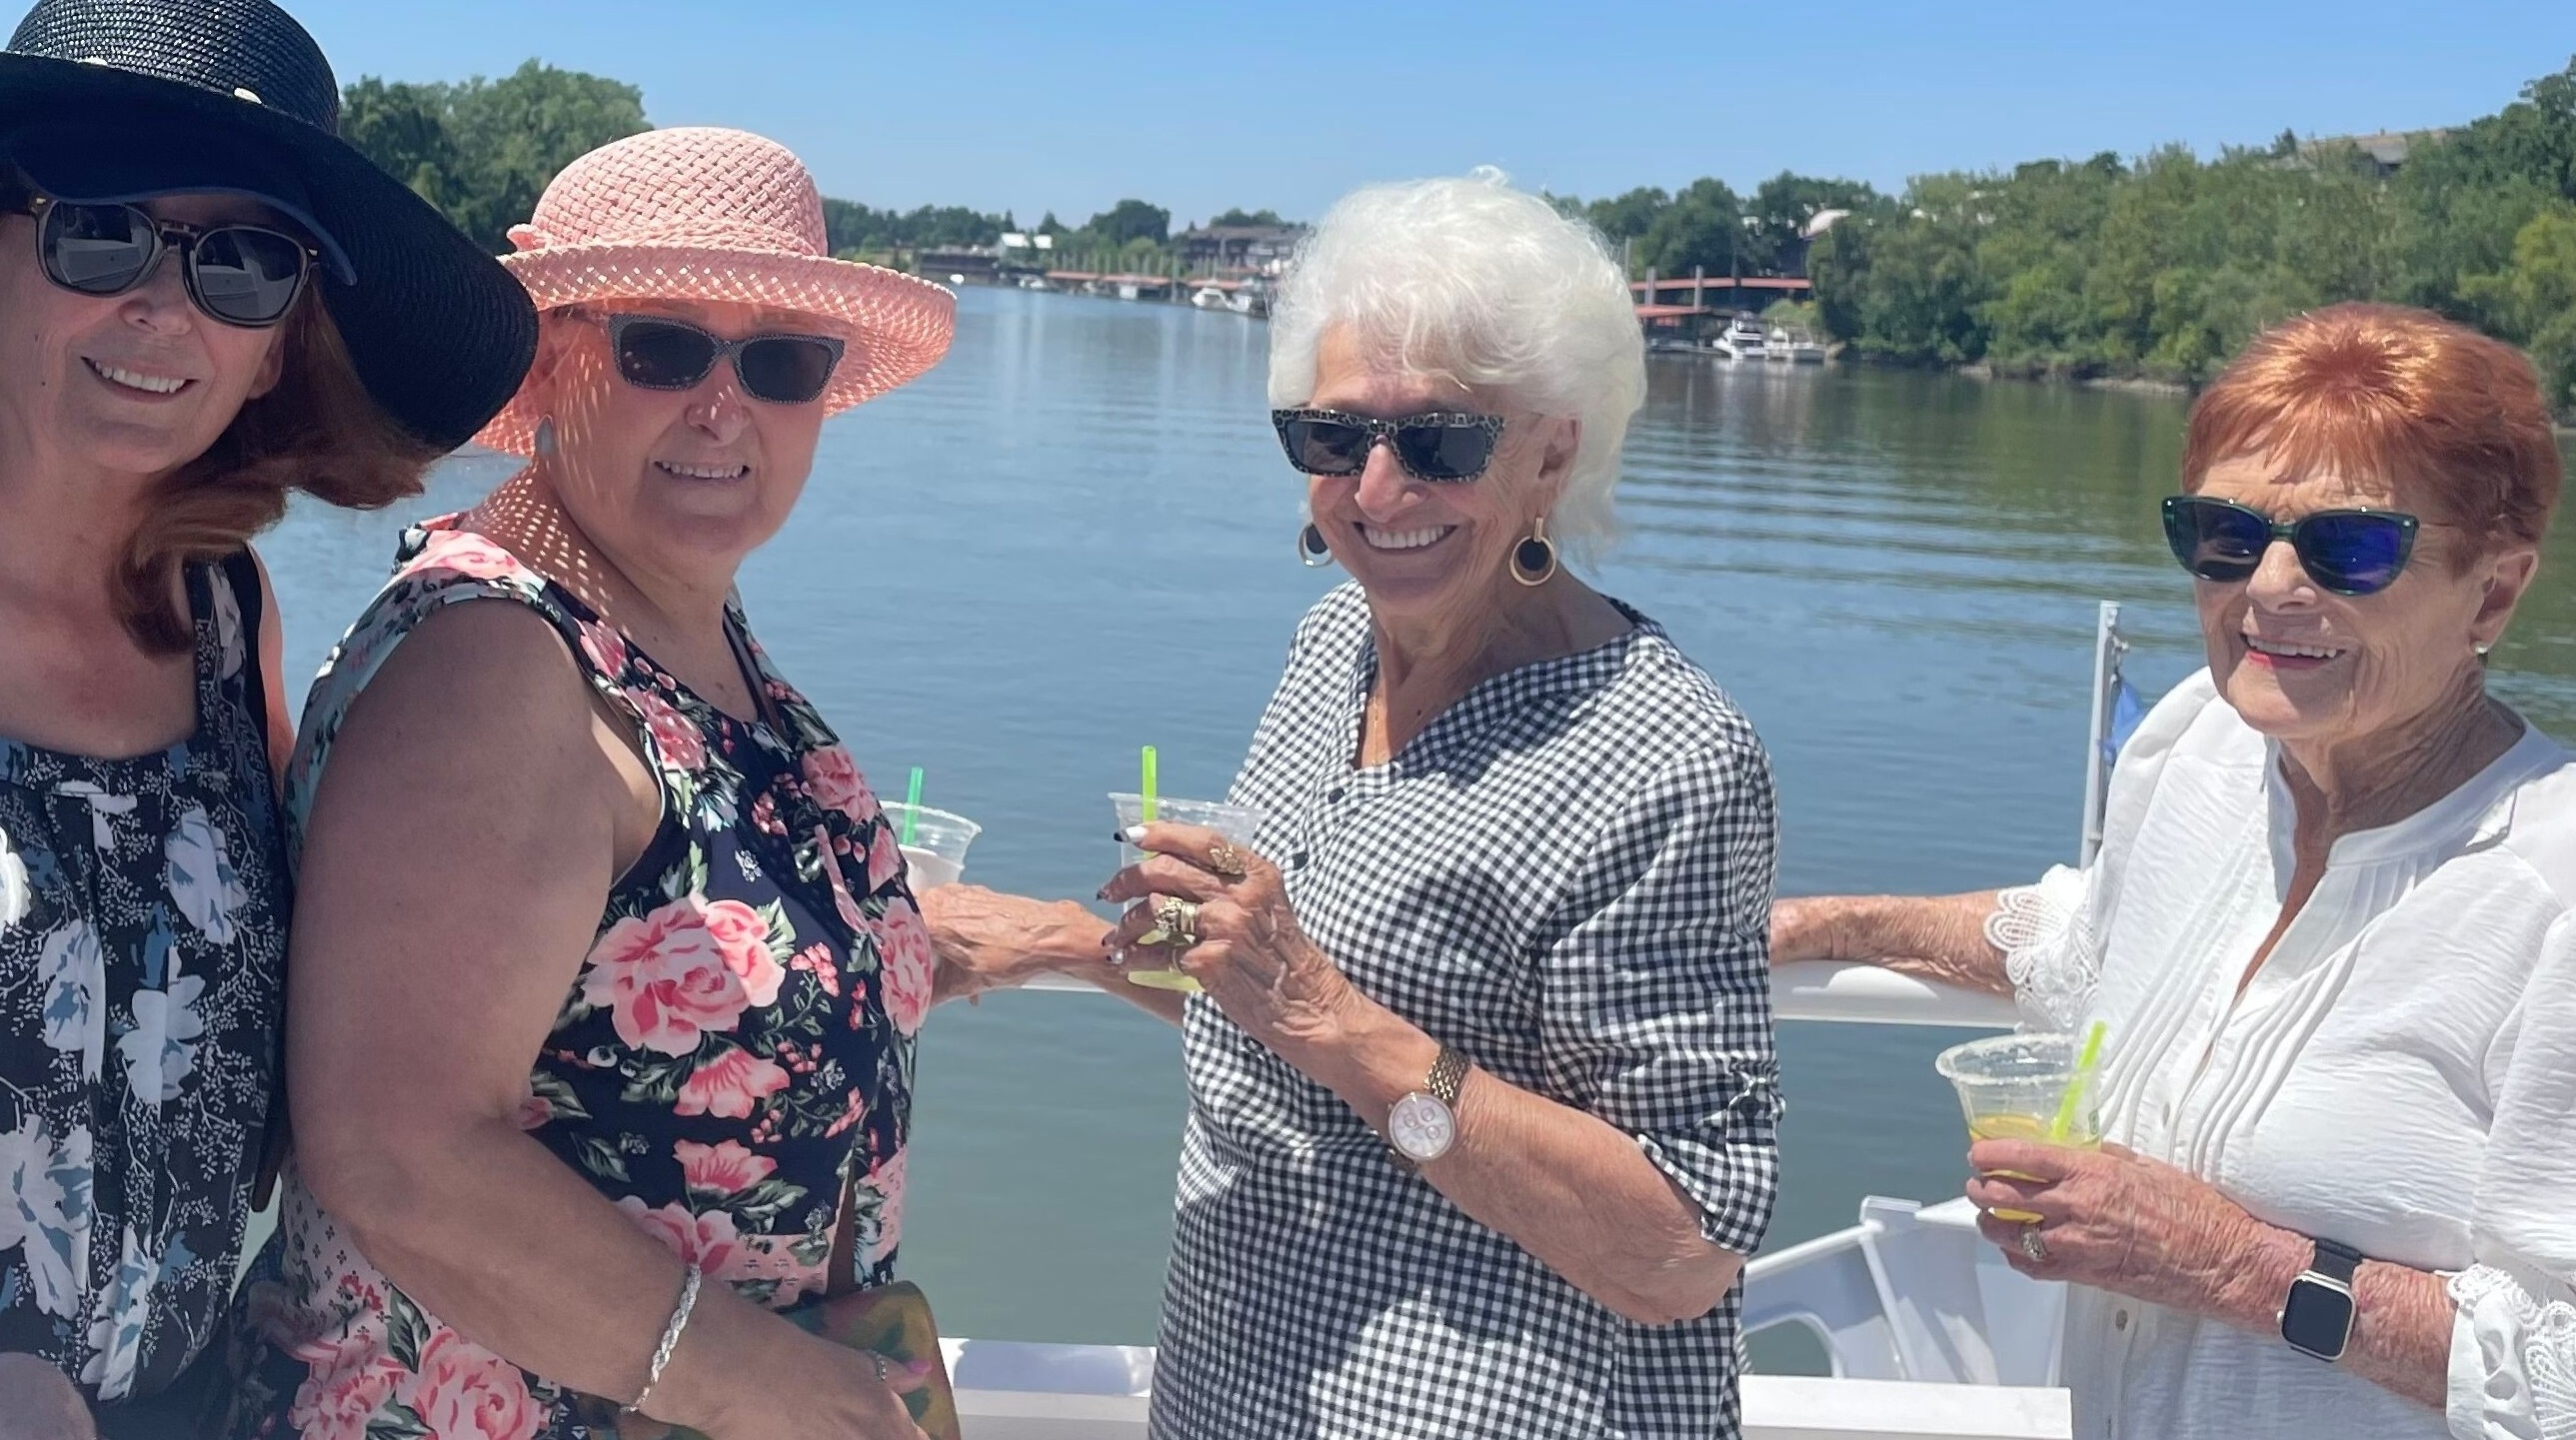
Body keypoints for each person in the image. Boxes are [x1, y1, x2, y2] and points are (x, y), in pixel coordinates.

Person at [927, 172, 1783, 1439]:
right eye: (1332, 438)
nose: (1376, 491)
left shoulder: (1663, 756)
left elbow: (1681, 1248)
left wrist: (1325, 1013)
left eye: (1438, 440)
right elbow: (1266, 995)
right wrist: (1059, 939)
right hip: (1235, 1389)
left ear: (1553, 446)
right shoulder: (1331, 645)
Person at [220, 127, 957, 1439]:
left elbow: (712, 943)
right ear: (556, 358)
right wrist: (756, 1381)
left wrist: (1064, 942)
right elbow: (400, 1149)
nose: (723, 407)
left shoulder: (681, 627)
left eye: (781, 363)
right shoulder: (495, 663)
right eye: (663, 347)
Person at [1771, 303, 2576, 1439]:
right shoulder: (2202, 743)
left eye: (2349, 546)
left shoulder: (2551, 898)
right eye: (2226, 534)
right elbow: (2092, 938)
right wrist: (1821, 924)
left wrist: (2232, 1264)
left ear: (2492, 591)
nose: (2271, 588)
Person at [0, 0, 534, 1433]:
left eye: (242, 264)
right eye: (99, 229)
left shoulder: (223, 616)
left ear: (279, 340)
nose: (165, 309)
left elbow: (277, 1002)